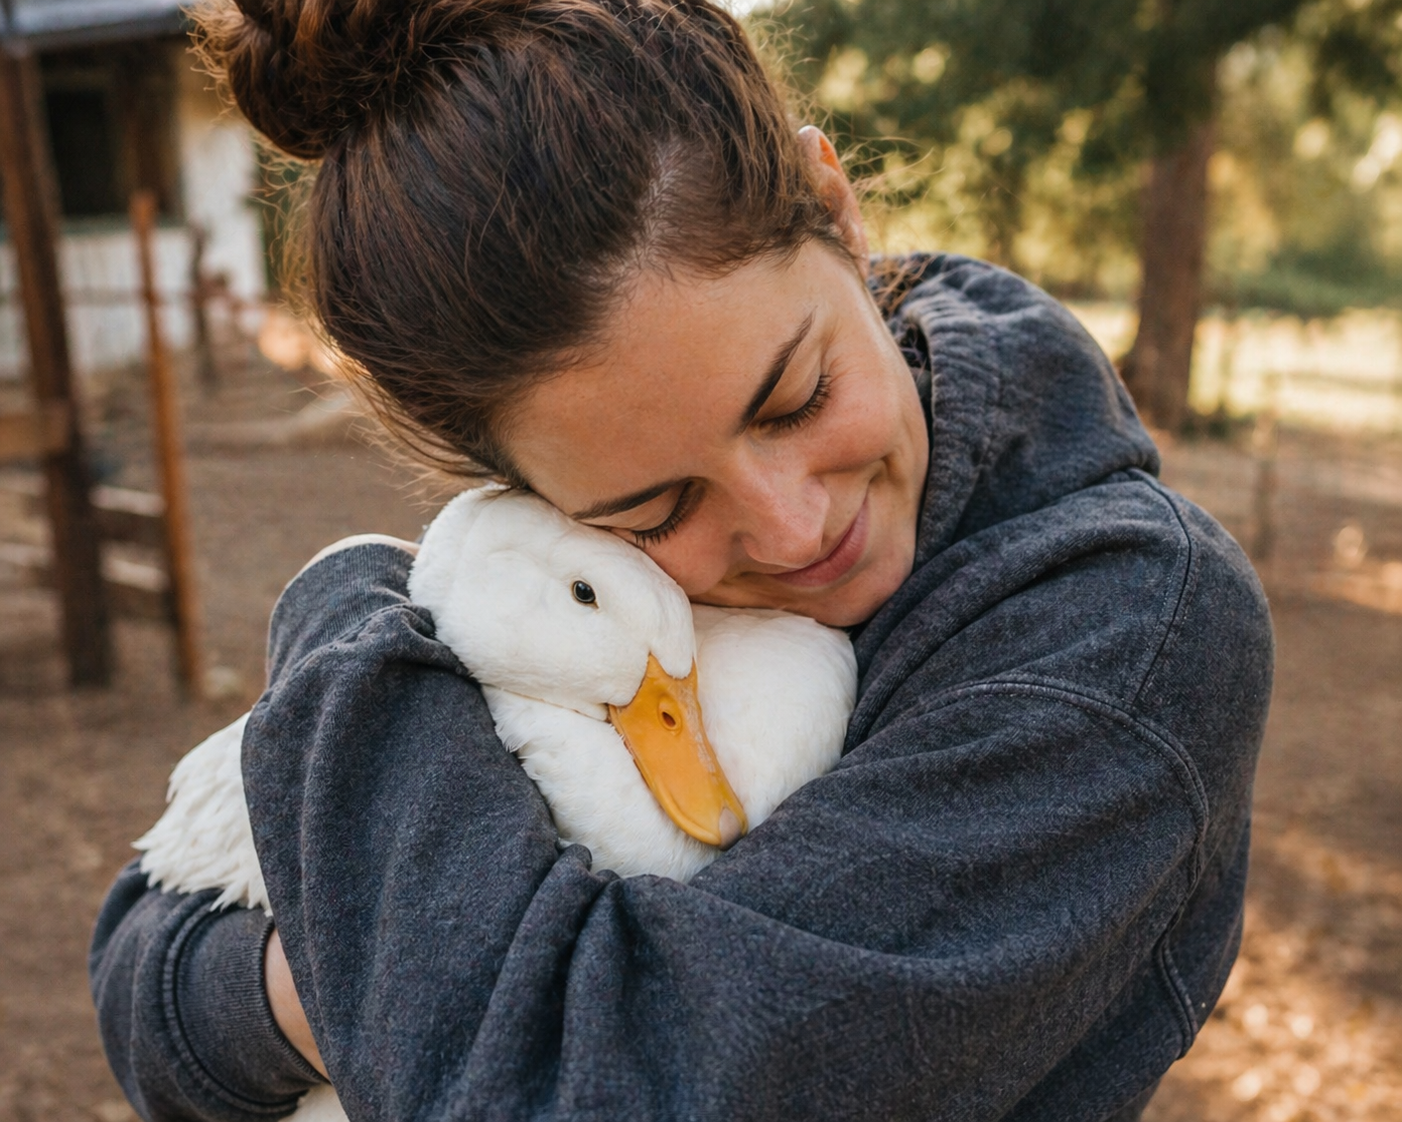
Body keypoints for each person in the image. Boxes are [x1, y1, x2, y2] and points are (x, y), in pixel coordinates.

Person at [88, 0, 1274, 1119]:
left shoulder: (1118, 630)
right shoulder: (558, 591)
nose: (792, 529)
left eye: (798, 397)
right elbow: (146, 964)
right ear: (508, 484)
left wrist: (341, 613)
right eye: (657, 510)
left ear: (834, 202)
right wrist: (400, 995)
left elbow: (577, 1088)